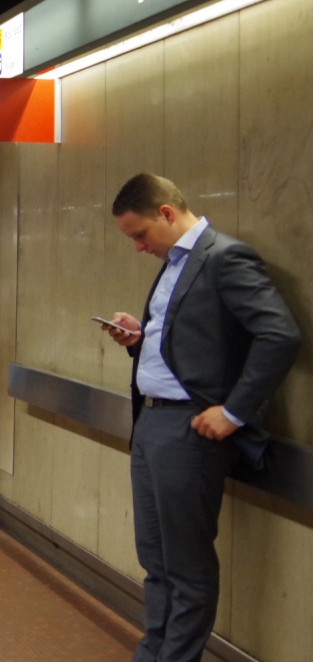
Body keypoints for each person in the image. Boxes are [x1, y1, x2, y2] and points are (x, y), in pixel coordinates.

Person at [101, 174, 300, 662]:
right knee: (155, 560)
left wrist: (234, 411)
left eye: (140, 234)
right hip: (149, 423)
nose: (138, 247)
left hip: (187, 430)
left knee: (186, 568)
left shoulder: (225, 257)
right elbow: (191, 340)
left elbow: (279, 334)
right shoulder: (173, 264)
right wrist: (141, 337)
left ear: (167, 213)